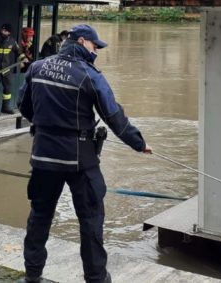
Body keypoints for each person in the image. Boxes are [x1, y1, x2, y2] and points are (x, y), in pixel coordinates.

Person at [18, 24, 152, 283]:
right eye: (94, 46)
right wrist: (139, 143)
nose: (96, 51)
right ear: (81, 42)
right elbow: (113, 116)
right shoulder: (89, 76)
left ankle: (32, 276)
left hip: (44, 157)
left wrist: (47, 128)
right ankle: (97, 279)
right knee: (90, 223)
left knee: (39, 218)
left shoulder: (37, 67)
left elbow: (23, 106)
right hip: (80, 161)